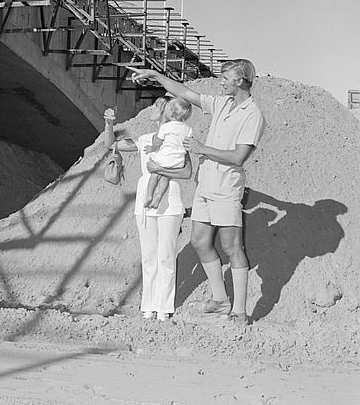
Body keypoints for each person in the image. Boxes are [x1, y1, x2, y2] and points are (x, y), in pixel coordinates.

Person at [129, 59, 265, 327]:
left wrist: (202, 148)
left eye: (225, 78)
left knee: (231, 246)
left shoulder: (253, 115)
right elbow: (184, 93)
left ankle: (239, 311)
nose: (220, 82)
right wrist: (156, 74)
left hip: (226, 188)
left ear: (239, 81)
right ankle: (220, 299)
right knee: (200, 243)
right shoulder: (222, 103)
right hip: (205, 185)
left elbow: (239, 157)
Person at [103, 98, 192, 322]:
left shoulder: (178, 138)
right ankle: (148, 306)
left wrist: (159, 168)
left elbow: (187, 172)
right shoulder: (143, 140)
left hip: (170, 203)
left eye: (155, 106)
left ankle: (164, 307)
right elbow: (110, 144)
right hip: (145, 202)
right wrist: (109, 124)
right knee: (149, 256)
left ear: (164, 111)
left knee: (166, 256)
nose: (150, 110)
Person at [144, 97, 193, 210]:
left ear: (171, 110)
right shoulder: (188, 129)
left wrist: (152, 148)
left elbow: (158, 143)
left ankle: (149, 195)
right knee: (165, 177)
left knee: (154, 174)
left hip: (165, 157)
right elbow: (189, 143)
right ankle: (158, 196)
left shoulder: (166, 127)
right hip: (178, 160)